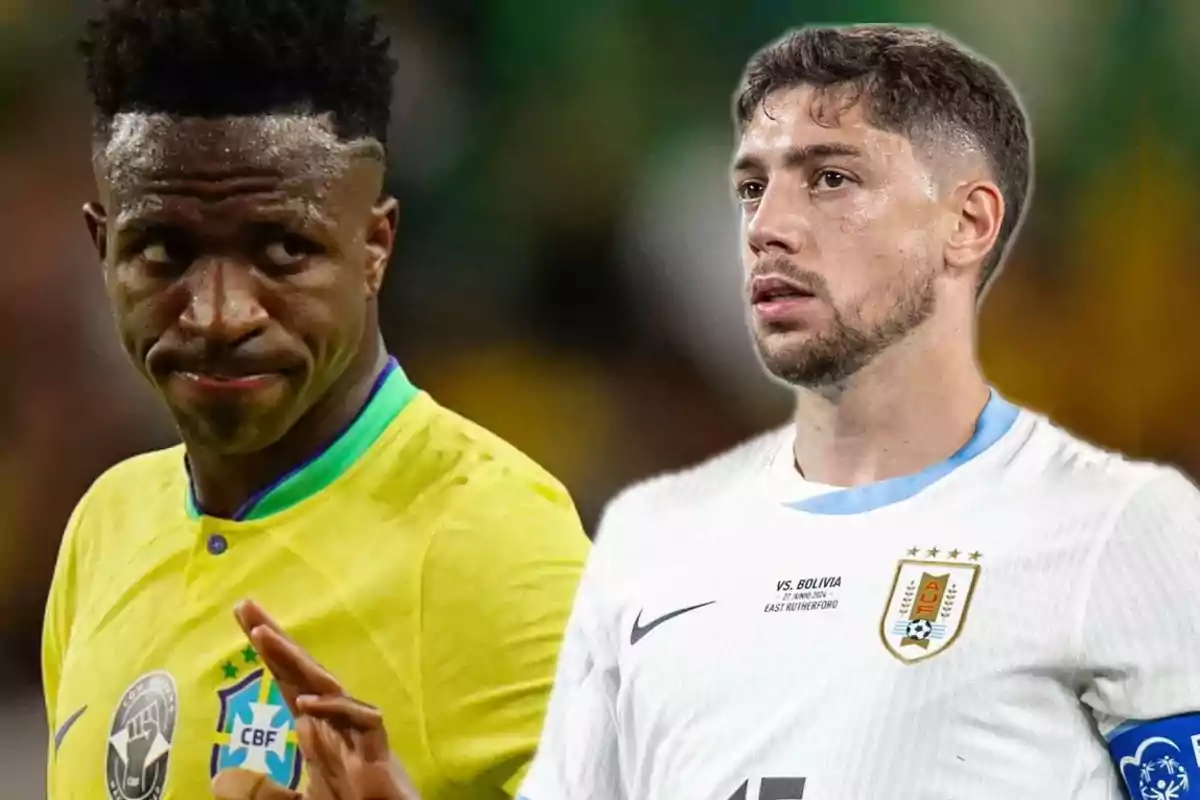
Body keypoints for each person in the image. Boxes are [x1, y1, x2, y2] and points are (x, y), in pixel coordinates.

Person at [212, 22, 1200, 800]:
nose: (774, 226)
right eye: (755, 186)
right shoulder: (647, 548)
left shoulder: (1119, 533)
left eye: (834, 180)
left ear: (966, 223)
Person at [42, 1, 590, 798]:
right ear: (104, 248)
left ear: (374, 247)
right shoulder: (105, 528)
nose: (219, 314)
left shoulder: (492, 542)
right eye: (164, 250)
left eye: (283, 250)